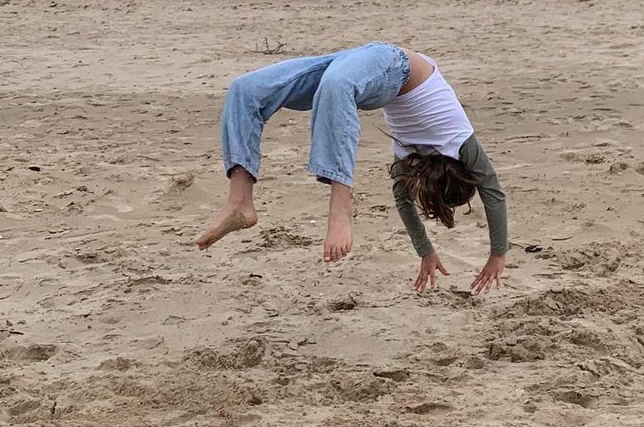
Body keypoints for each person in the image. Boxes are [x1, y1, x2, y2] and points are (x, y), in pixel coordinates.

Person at [196, 44, 508, 294]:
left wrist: (425, 252)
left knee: (337, 85)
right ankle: (242, 201)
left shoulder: (412, 160)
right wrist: (497, 255)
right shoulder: (457, 140)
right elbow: (493, 192)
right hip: (391, 63)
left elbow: (403, 202)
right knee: (247, 90)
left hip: (364, 74)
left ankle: (249, 204)